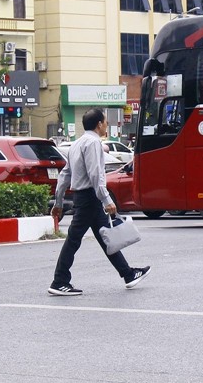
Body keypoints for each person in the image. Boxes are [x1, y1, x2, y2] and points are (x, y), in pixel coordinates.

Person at [49, 107, 150, 296]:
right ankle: (59, 280)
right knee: (74, 239)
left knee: (106, 238)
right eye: (105, 122)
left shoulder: (76, 144)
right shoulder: (94, 143)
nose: (107, 125)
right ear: (99, 124)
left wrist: (59, 201)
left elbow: (65, 174)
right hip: (90, 197)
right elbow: (96, 174)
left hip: (84, 196)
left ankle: (128, 274)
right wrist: (106, 199)